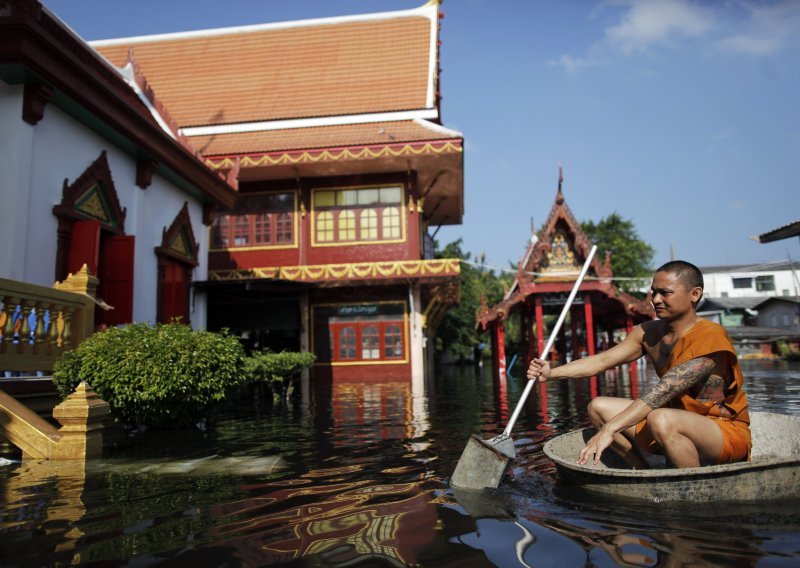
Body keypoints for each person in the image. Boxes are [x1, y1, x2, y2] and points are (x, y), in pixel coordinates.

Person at [527, 260, 750, 469]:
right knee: (598, 407)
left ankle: (694, 488)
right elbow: (602, 361)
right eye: (654, 292)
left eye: (665, 293)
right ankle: (643, 472)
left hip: (722, 430)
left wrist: (610, 429)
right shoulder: (648, 332)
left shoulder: (710, 335)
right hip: (673, 419)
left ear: (695, 294)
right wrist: (551, 372)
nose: (656, 299)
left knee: (659, 418)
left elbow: (662, 392)